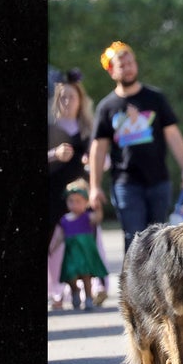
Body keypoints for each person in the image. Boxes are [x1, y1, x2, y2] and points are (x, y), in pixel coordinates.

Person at [89, 40, 183, 254]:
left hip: (158, 181)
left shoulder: (155, 98)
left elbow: (173, 135)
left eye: (130, 63)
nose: (127, 68)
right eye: (121, 65)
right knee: (134, 236)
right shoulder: (107, 107)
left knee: (159, 239)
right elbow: (98, 148)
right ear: (111, 71)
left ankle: (159, 287)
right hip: (125, 183)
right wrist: (94, 186)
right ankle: (134, 287)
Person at [48, 70, 109, 309]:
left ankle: (96, 287)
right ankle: (57, 291)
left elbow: (106, 160)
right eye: (62, 97)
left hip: (82, 194)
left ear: (80, 100)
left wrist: (91, 162)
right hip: (53, 193)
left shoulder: (89, 129)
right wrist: (55, 154)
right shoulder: (50, 128)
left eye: (71, 97)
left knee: (89, 239)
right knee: (55, 242)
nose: (66, 101)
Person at [49, 178, 109, 311]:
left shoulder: (87, 217)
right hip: (71, 254)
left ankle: (88, 298)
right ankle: (74, 292)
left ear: (86, 202)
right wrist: (52, 248)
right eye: (71, 201)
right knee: (71, 276)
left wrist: (98, 206)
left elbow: (98, 218)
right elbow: (59, 237)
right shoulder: (64, 220)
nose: (74, 204)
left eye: (78, 201)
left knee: (86, 275)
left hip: (85, 252)